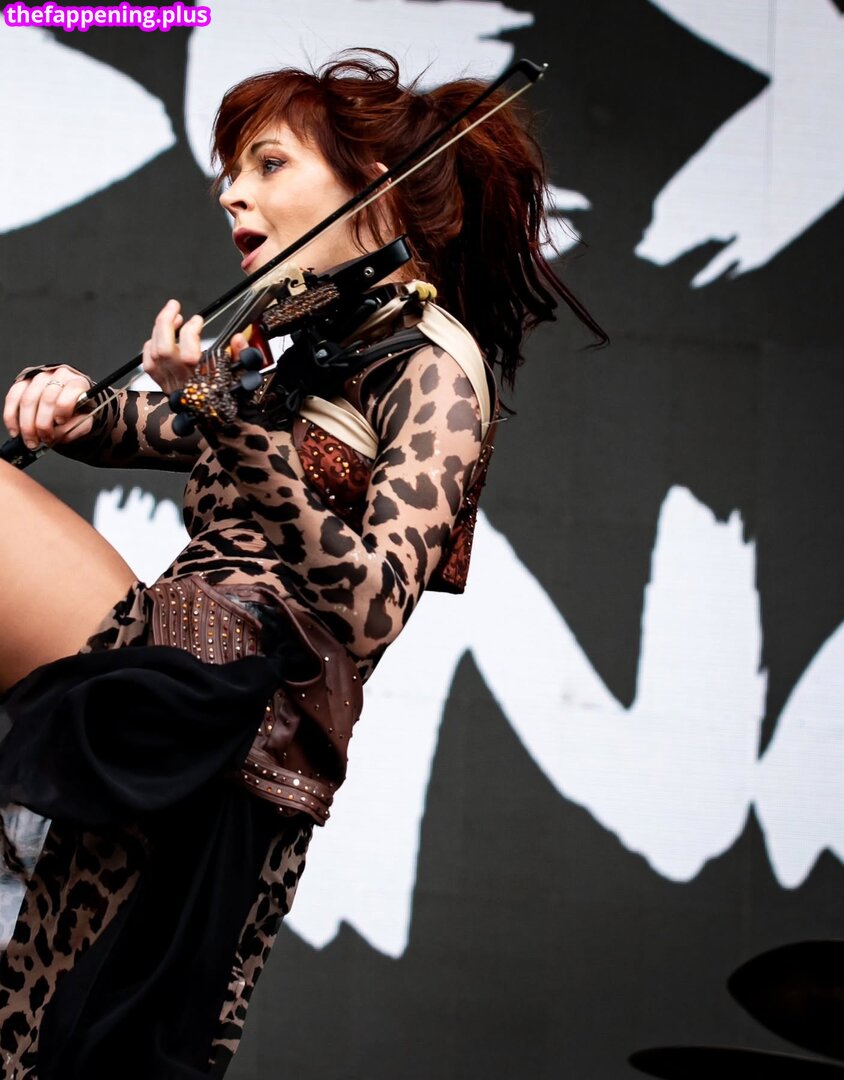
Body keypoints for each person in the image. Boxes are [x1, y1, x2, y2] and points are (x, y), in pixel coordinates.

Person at [0, 50, 603, 1078]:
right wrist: (61, 401)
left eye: (269, 163)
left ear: (373, 187)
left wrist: (220, 409)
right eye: (231, 172)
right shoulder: (302, 350)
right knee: (34, 1004)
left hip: (229, 705)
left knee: (76, 1025)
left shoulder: (436, 366)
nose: (232, 192)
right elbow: (146, 427)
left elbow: (371, 605)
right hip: (172, 670)